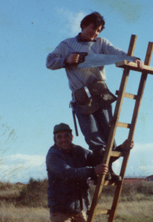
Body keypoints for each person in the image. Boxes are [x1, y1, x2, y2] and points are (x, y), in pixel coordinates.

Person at [46, 12, 143, 182]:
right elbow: (49, 61)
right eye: (93, 28)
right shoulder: (67, 44)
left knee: (108, 134)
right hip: (82, 98)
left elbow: (118, 53)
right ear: (84, 25)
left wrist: (134, 59)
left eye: (99, 30)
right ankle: (103, 173)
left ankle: (109, 171)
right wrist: (66, 60)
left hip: (101, 94)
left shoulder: (101, 43)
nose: (96, 33)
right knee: (94, 138)